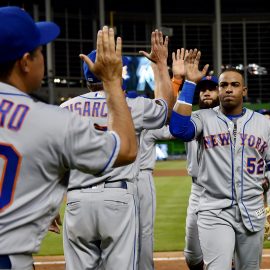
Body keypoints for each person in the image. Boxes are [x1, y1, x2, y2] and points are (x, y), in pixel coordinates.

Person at [0, 6, 138, 270]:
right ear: (25, 61)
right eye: (40, 51)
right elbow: (127, 149)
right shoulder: (49, 121)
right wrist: (110, 80)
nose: (44, 58)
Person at [60, 29, 174, 270]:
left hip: (77, 199)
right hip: (118, 197)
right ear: (115, 72)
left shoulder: (65, 108)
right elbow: (166, 109)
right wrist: (161, 66)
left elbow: (53, 161)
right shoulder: (131, 105)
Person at [169, 48, 270, 270]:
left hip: (252, 210)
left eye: (234, 85)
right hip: (214, 209)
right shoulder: (203, 118)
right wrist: (189, 84)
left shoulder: (264, 124)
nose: (228, 89)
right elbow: (178, 129)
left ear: (244, 90)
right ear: (218, 90)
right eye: (223, 85)